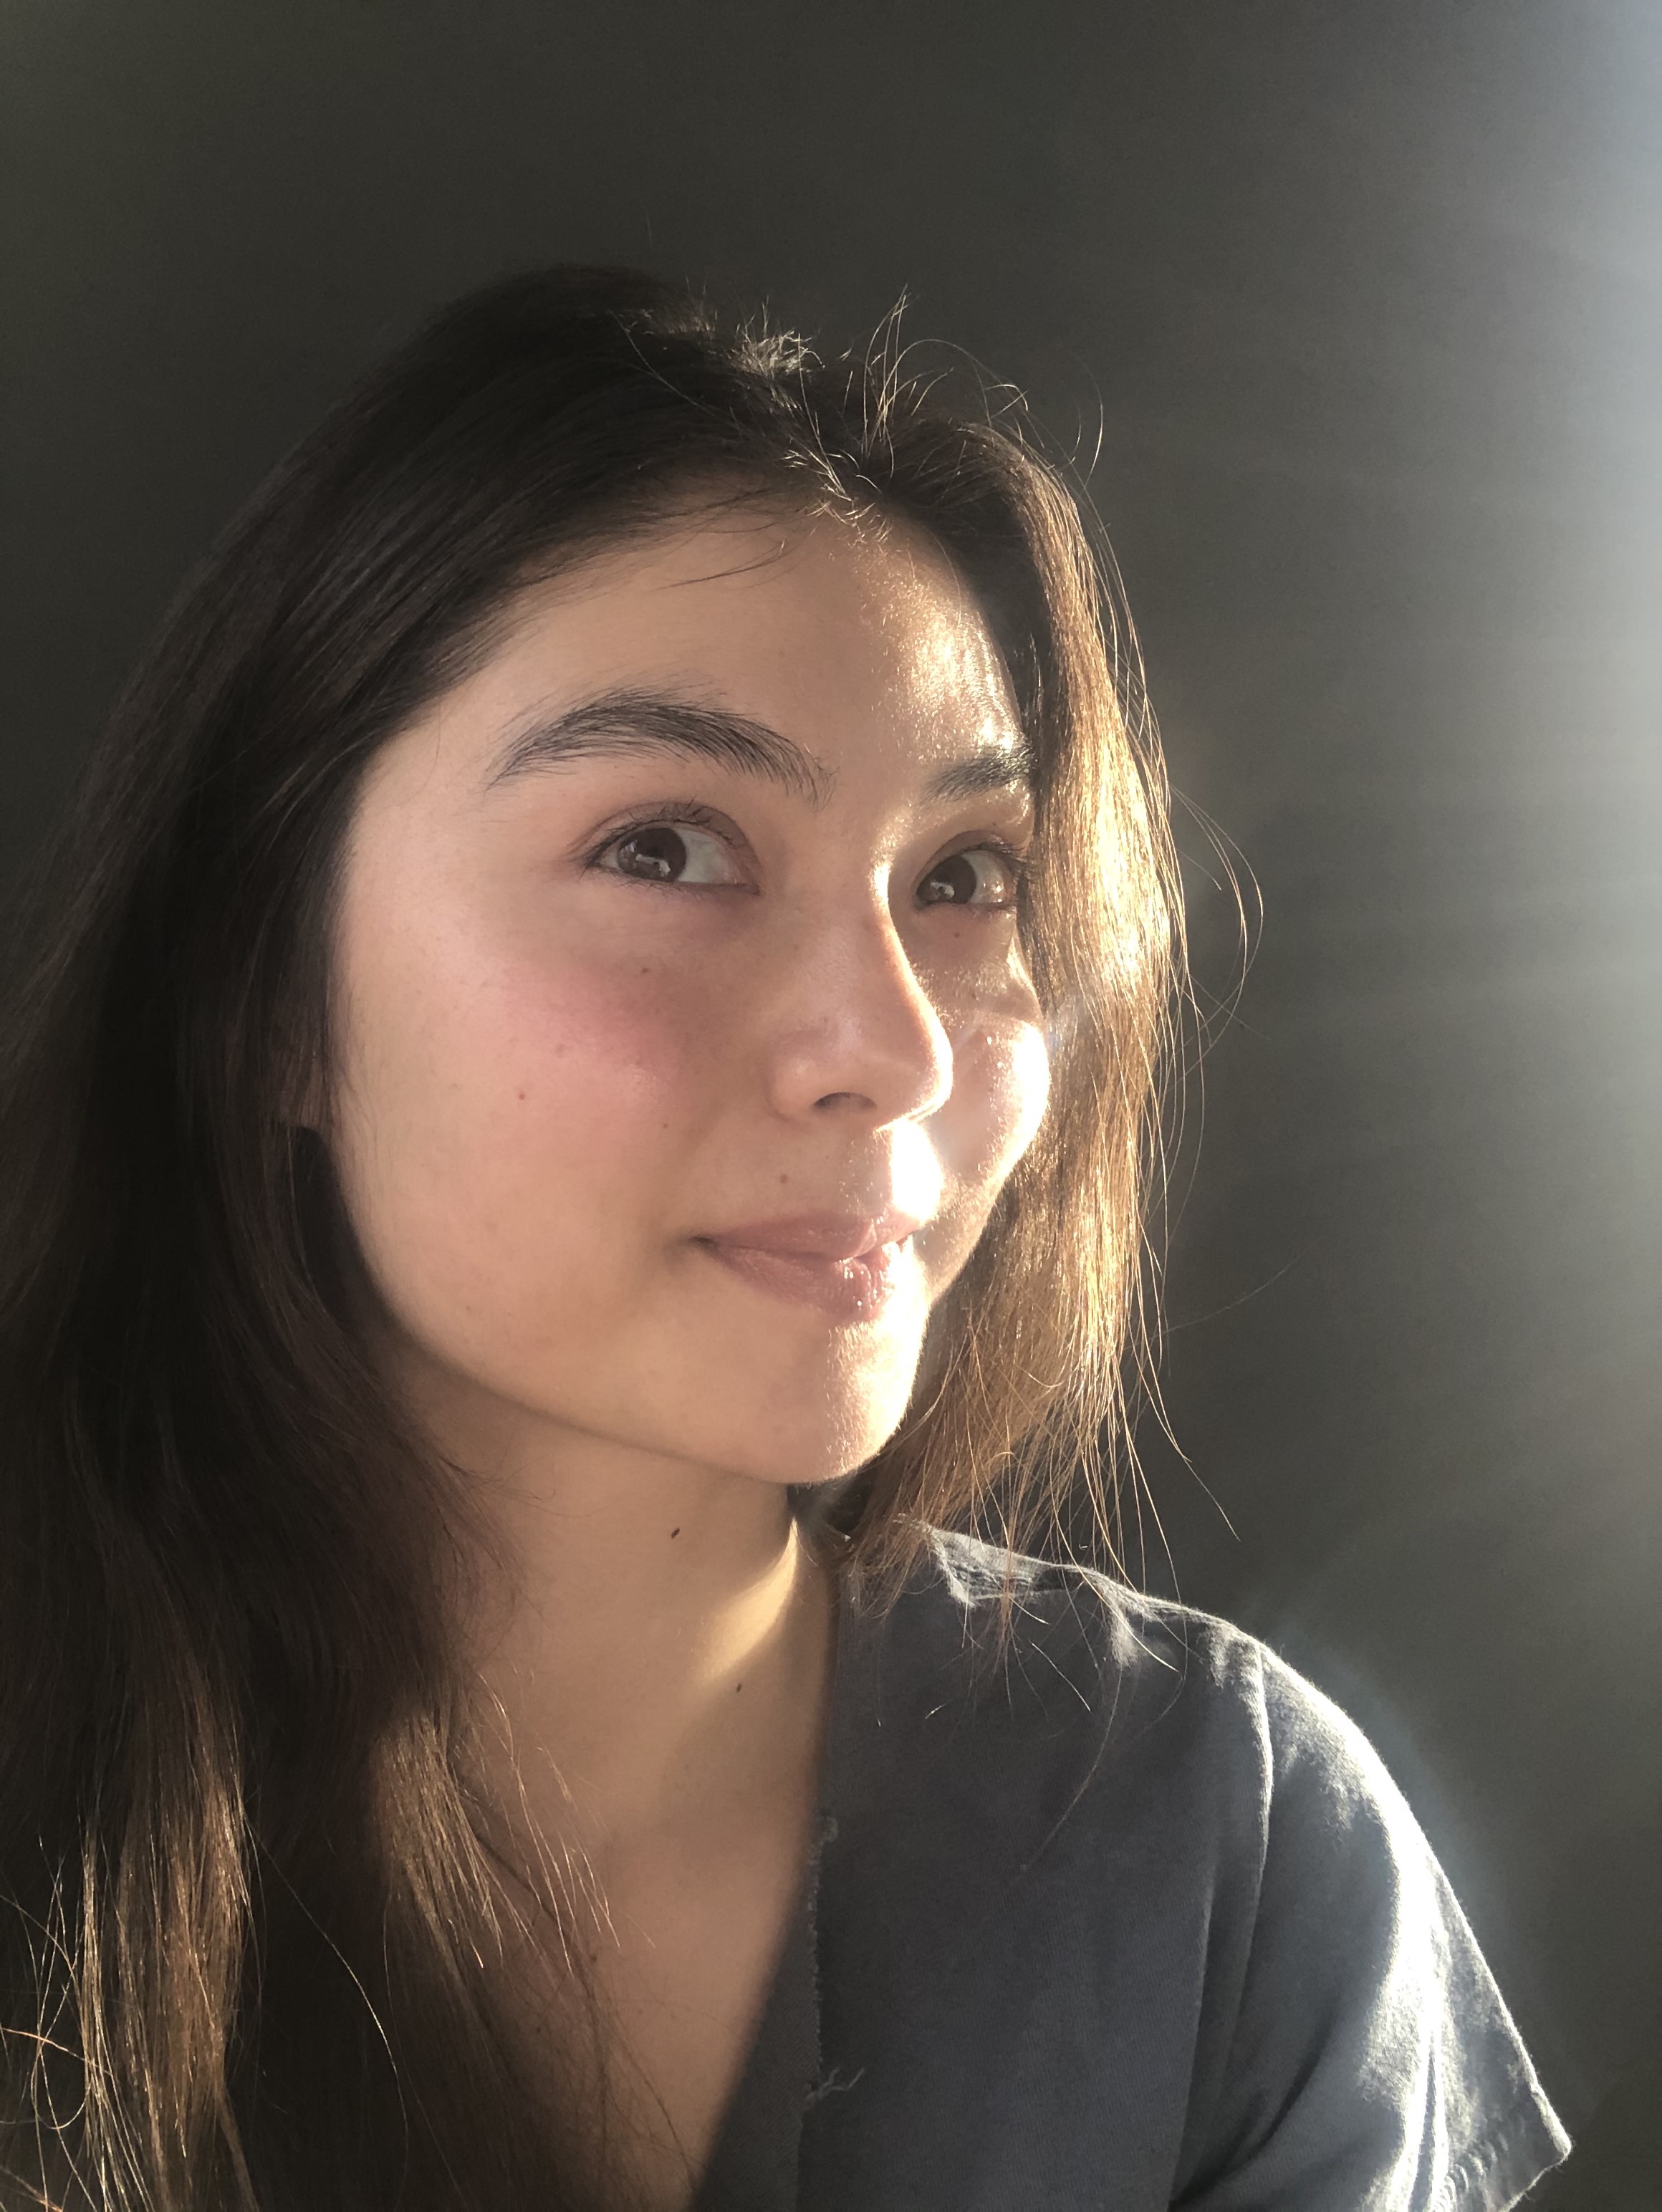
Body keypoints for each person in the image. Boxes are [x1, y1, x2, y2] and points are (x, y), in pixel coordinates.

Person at [0, 267, 1568, 2212]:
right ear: (264, 991)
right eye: (663, 847)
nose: (897, 1047)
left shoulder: (1226, 1856)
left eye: (967, 878)